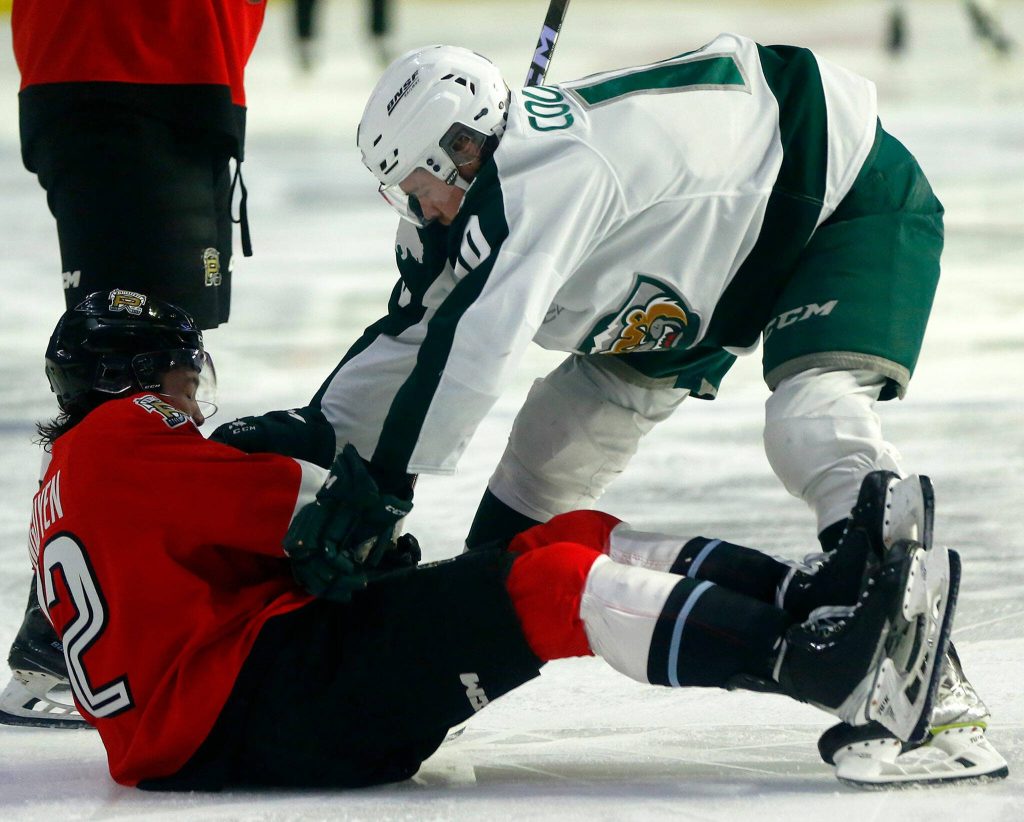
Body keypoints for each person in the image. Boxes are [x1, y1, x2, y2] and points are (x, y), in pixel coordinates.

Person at [209, 37, 1010, 784]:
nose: (423, 213)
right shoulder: (487, 194)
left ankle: (925, 689)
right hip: (698, 260)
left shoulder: (548, 172)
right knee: (554, 441)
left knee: (810, 416)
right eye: (405, 196)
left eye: (425, 188)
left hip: (831, 194)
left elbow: (478, 343)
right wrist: (325, 437)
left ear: (464, 147)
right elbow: (416, 335)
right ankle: (466, 625)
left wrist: (385, 486)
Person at [27, 290, 954, 790]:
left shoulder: (76, 470)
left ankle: (810, 601)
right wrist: (347, 489)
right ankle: (828, 667)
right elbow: (330, 519)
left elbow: (264, 553)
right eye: (181, 377)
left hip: (246, 704)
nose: (193, 398)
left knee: (566, 536)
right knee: (548, 585)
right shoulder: (126, 435)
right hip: (262, 711)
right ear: (135, 378)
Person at [0, 0, 267, 729]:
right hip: (126, 65)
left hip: (174, 77)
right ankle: (61, 650)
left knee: (165, 352)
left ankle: (91, 630)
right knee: (135, 358)